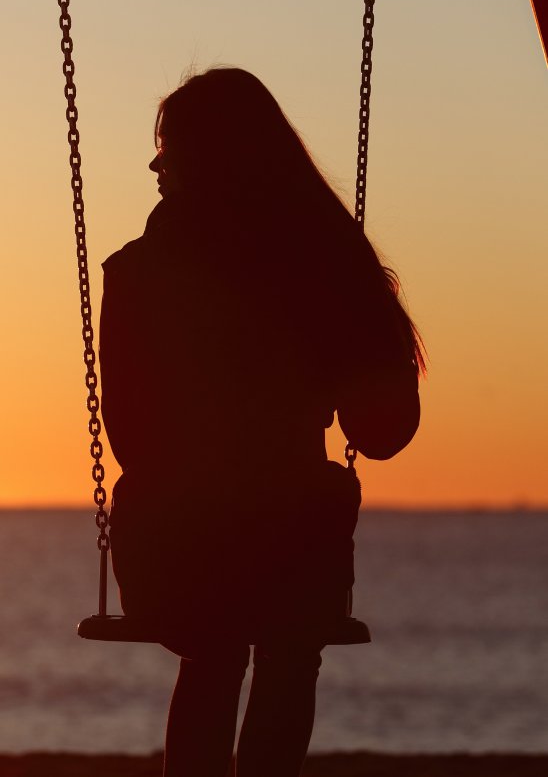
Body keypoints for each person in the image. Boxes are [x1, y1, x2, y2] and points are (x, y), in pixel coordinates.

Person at [99, 67, 423, 777]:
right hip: (290, 550)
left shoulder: (136, 273)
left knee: (213, 650)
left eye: (169, 148)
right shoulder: (326, 265)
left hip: (173, 550)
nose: (156, 165)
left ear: (205, 159)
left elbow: (130, 436)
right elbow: (385, 432)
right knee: (288, 643)